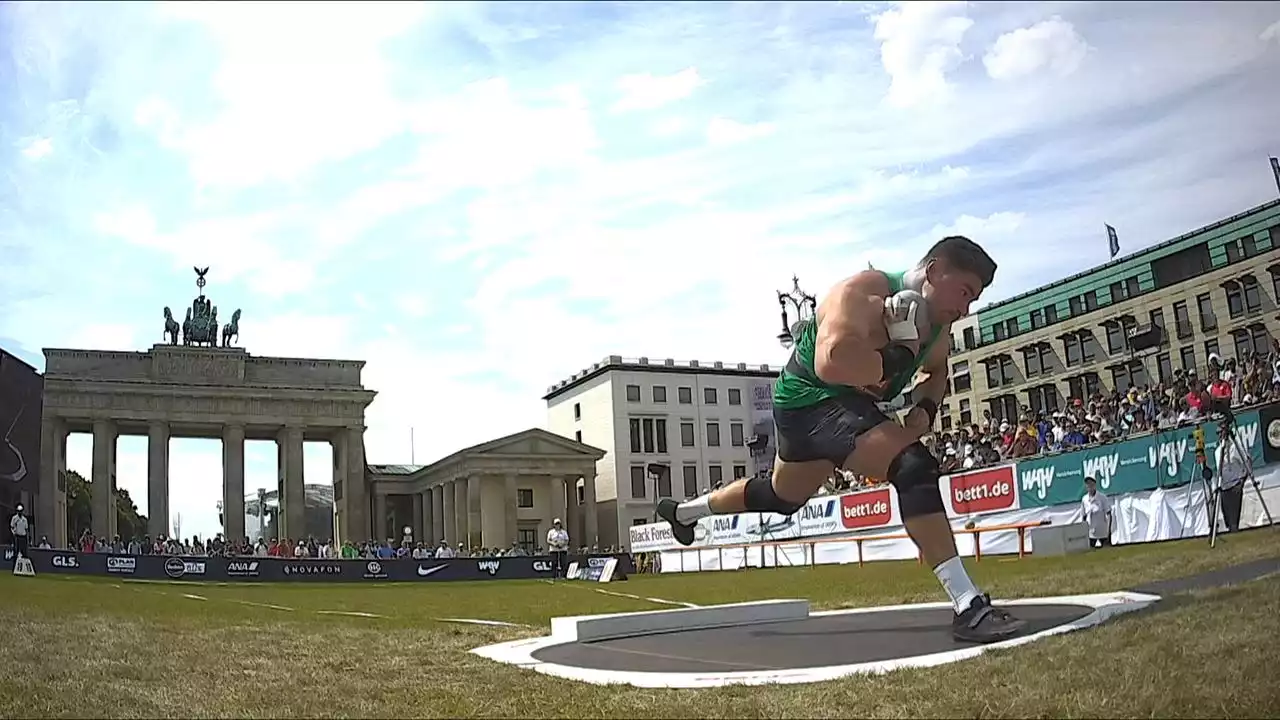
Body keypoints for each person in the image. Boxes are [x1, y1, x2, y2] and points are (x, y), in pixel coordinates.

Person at [657, 236, 1027, 643]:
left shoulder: (939, 329)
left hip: (841, 407)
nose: (965, 308)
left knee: (782, 498)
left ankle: (685, 514)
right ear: (935, 270)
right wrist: (901, 353)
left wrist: (925, 410)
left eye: (973, 300)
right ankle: (969, 607)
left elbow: (936, 370)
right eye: (964, 292)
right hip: (809, 401)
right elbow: (832, 362)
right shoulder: (862, 291)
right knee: (913, 466)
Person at [1081, 477, 1113, 548]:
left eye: (1091, 483)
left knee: (1107, 552)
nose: (1089, 485)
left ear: (1094, 484)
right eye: (1087, 483)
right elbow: (1083, 516)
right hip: (1090, 532)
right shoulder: (1084, 499)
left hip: (1102, 531)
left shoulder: (1102, 497)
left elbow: (1108, 514)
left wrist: (1108, 531)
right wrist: (1084, 532)